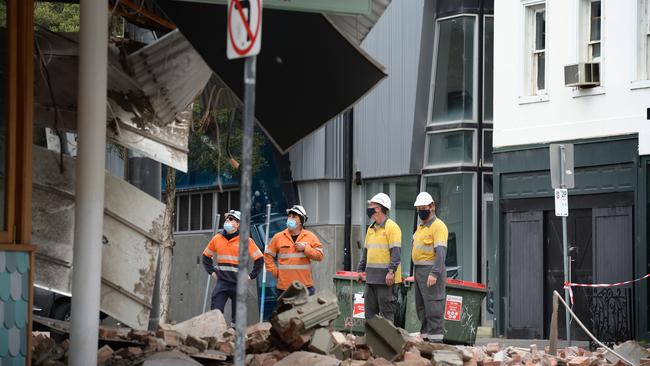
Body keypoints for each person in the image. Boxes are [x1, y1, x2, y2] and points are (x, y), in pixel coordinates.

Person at [201, 210, 264, 321]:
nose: (227, 221)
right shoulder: (217, 239)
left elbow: (259, 259)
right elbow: (206, 256)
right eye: (226, 219)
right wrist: (211, 272)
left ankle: (235, 335)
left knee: (238, 318)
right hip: (222, 283)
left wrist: (251, 276)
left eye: (231, 219)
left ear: (238, 224)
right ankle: (216, 336)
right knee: (215, 313)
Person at [356, 193, 402, 323]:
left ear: (379, 208)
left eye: (372, 205)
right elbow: (366, 252)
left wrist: (391, 272)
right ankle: (371, 342)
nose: (369, 208)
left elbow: (396, 253)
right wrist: (360, 270)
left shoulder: (392, 227)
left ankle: (387, 343)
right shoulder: (370, 229)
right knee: (369, 315)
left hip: (386, 281)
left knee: (387, 315)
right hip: (371, 280)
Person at [411, 192, 448, 343]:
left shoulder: (438, 226)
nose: (421, 211)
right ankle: (426, 340)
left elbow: (440, 252)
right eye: (419, 208)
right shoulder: (421, 227)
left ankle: (436, 344)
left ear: (432, 207)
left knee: (433, 307)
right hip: (419, 271)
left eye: (424, 207)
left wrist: (434, 273)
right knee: (422, 308)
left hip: (431, 271)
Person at [264, 205, 324, 297]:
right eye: (289, 216)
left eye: (294, 216)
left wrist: (305, 249)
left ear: (301, 221)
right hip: (284, 287)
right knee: (285, 312)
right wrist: (275, 272)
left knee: (307, 312)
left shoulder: (310, 236)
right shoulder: (278, 237)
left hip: (305, 287)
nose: (290, 218)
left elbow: (320, 256)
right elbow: (268, 255)